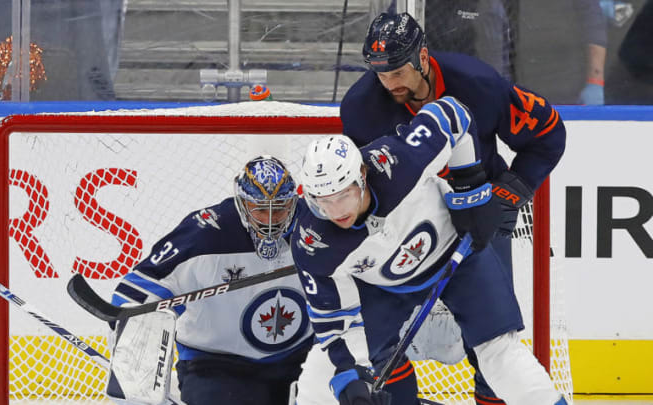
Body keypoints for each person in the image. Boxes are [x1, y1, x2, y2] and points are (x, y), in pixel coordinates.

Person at [340, 11, 566, 404]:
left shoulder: (477, 84)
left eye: (397, 72)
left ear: (423, 57)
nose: (388, 83)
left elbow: (548, 135)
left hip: (479, 215)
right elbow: (365, 185)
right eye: (380, 73)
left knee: (492, 340)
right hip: (409, 225)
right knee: (378, 337)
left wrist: (509, 193)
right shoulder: (361, 107)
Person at [292, 97, 568, 405]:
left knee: (499, 355)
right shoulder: (313, 243)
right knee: (320, 373)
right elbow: (335, 323)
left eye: (343, 195)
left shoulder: (400, 162)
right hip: (381, 287)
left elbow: (451, 112)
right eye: (322, 201)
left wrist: (471, 189)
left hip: (457, 253)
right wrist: (350, 376)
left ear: (362, 176)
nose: (335, 211)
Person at [106, 156, 315, 405]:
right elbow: (135, 293)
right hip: (216, 365)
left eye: (279, 208)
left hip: (301, 358)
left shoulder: (315, 225)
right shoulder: (204, 235)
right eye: (260, 210)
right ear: (242, 205)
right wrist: (136, 348)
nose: (271, 221)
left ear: (292, 203)